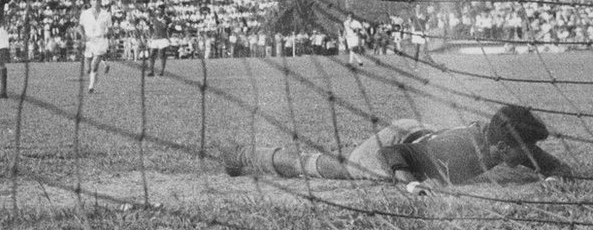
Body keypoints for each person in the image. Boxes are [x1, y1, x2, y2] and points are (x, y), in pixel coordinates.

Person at [222, 105, 574, 193]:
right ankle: (240, 155)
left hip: (417, 133)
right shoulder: (462, 147)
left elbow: (553, 166)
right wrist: (409, 183)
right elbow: (395, 157)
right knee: (330, 166)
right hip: (395, 147)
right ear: (501, 144)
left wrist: (556, 177)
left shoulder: (503, 145)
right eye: (523, 149)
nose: (528, 157)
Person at [79, 0, 113, 94]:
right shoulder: (85, 14)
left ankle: (91, 87)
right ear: (90, 1)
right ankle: (105, 63)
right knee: (87, 69)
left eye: (98, 0)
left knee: (94, 65)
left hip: (101, 40)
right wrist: (83, 36)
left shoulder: (106, 14)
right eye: (93, 0)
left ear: (101, 1)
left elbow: (111, 29)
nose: (96, 2)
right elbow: (79, 26)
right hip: (89, 41)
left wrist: (108, 34)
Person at [146, 4, 170, 77]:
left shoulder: (166, 18)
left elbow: (167, 28)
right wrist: (150, 35)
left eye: (161, 10)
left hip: (163, 38)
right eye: (158, 10)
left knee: (161, 55)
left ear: (163, 11)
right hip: (155, 38)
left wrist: (165, 26)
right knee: (151, 54)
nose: (159, 11)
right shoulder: (154, 18)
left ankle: (162, 71)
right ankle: (151, 71)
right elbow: (150, 27)